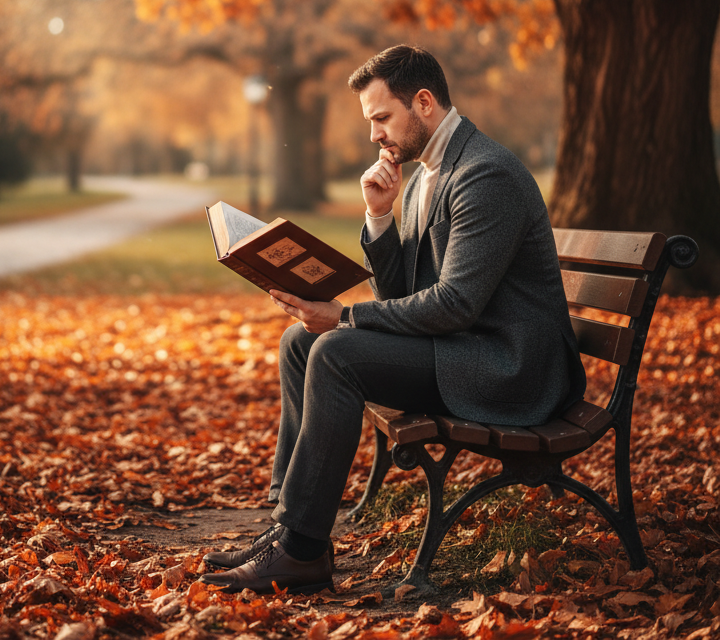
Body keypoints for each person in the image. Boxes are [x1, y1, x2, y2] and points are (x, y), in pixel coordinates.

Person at [200, 45, 586, 595]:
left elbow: (453, 304)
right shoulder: (428, 173)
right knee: (298, 343)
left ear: (423, 103)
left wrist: (345, 316)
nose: (375, 135)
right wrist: (380, 215)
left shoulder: (484, 175)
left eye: (382, 118)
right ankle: (288, 529)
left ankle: (302, 552)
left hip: (509, 369)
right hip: (462, 347)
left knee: (335, 350)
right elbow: (407, 295)